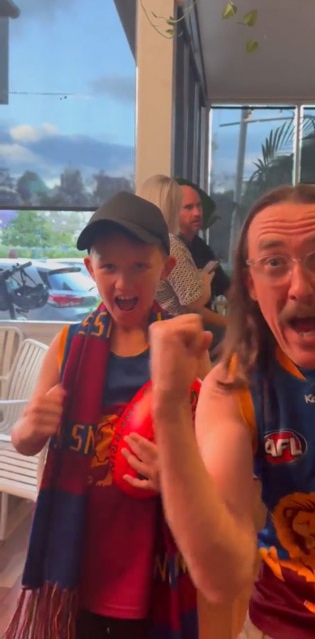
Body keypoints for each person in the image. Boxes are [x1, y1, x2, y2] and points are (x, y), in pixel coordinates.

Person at [149, 184, 315, 639]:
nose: (299, 286)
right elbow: (222, 576)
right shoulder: (234, 387)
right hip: (286, 627)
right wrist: (168, 410)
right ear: (250, 283)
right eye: (274, 263)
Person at [7, 191, 205, 639]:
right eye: (110, 266)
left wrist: (174, 472)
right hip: (79, 552)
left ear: (166, 269)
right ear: (90, 269)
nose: (123, 281)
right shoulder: (69, 346)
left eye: (140, 265)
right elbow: (24, 442)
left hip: (152, 550)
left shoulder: (183, 349)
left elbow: (211, 455)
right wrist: (29, 426)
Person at [139, 175, 212, 316]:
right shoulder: (169, 245)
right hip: (173, 328)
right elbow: (193, 301)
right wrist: (205, 281)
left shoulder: (140, 242)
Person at [178, 183, 231, 346]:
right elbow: (193, 308)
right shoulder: (173, 249)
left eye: (198, 206)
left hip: (206, 326)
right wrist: (232, 324)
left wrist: (252, 310)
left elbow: (226, 286)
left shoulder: (200, 246)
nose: (197, 213)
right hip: (186, 330)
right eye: (188, 207)